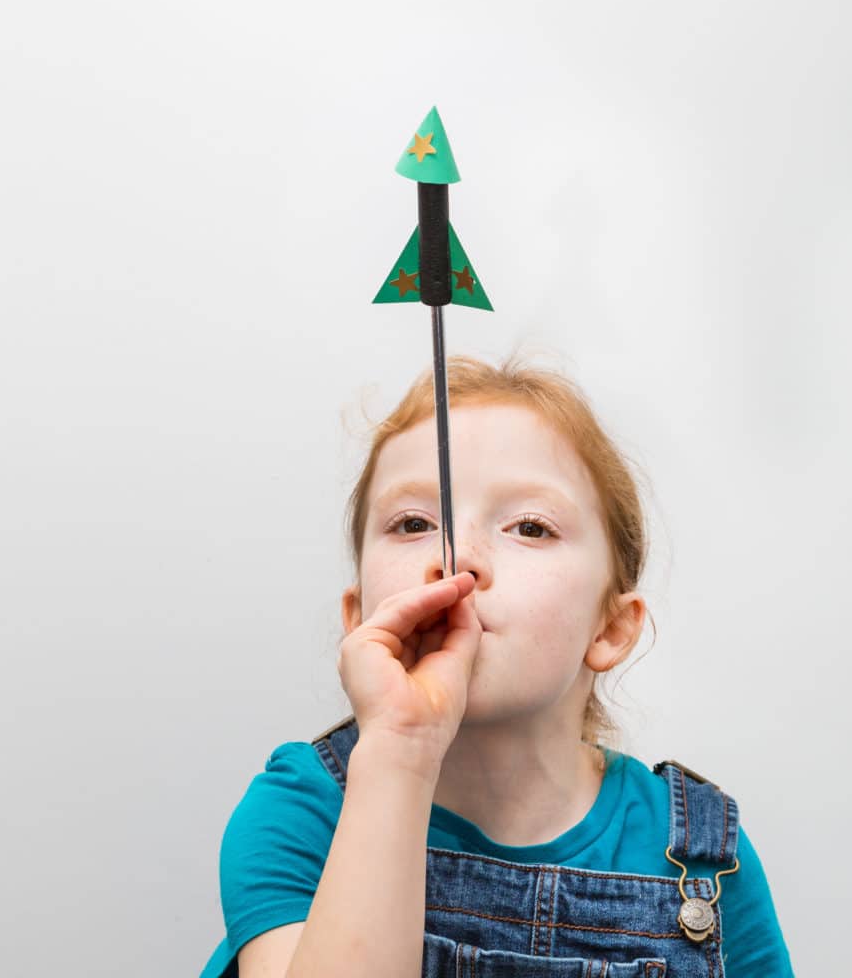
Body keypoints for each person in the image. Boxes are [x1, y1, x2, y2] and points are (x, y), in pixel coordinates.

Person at [199, 354, 794, 978]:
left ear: (610, 628)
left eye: (530, 527)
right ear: (359, 616)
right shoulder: (304, 810)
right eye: (413, 523)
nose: (457, 559)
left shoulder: (706, 865)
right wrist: (401, 748)